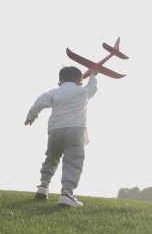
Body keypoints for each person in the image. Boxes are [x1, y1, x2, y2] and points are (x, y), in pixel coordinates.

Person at [24, 66, 98, 207]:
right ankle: (66, 193)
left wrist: (31, 116)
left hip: (55, 130)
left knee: (51, 157)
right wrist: (94, 75)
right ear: (80, 82)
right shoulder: (83, 91)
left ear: (59, 82)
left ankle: (43, 186)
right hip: (75, 130)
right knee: (73, 161)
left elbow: (40, 102)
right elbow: (92, 88)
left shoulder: (54, 92)